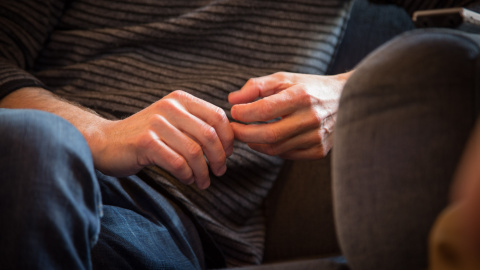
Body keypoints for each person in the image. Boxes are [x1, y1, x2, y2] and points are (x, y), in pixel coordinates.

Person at [0, 0, 354, 269]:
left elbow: (414, 53)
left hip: (157, 211)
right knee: (33, 146)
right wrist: (99, 134)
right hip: (37, 153)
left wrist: (349, 92)